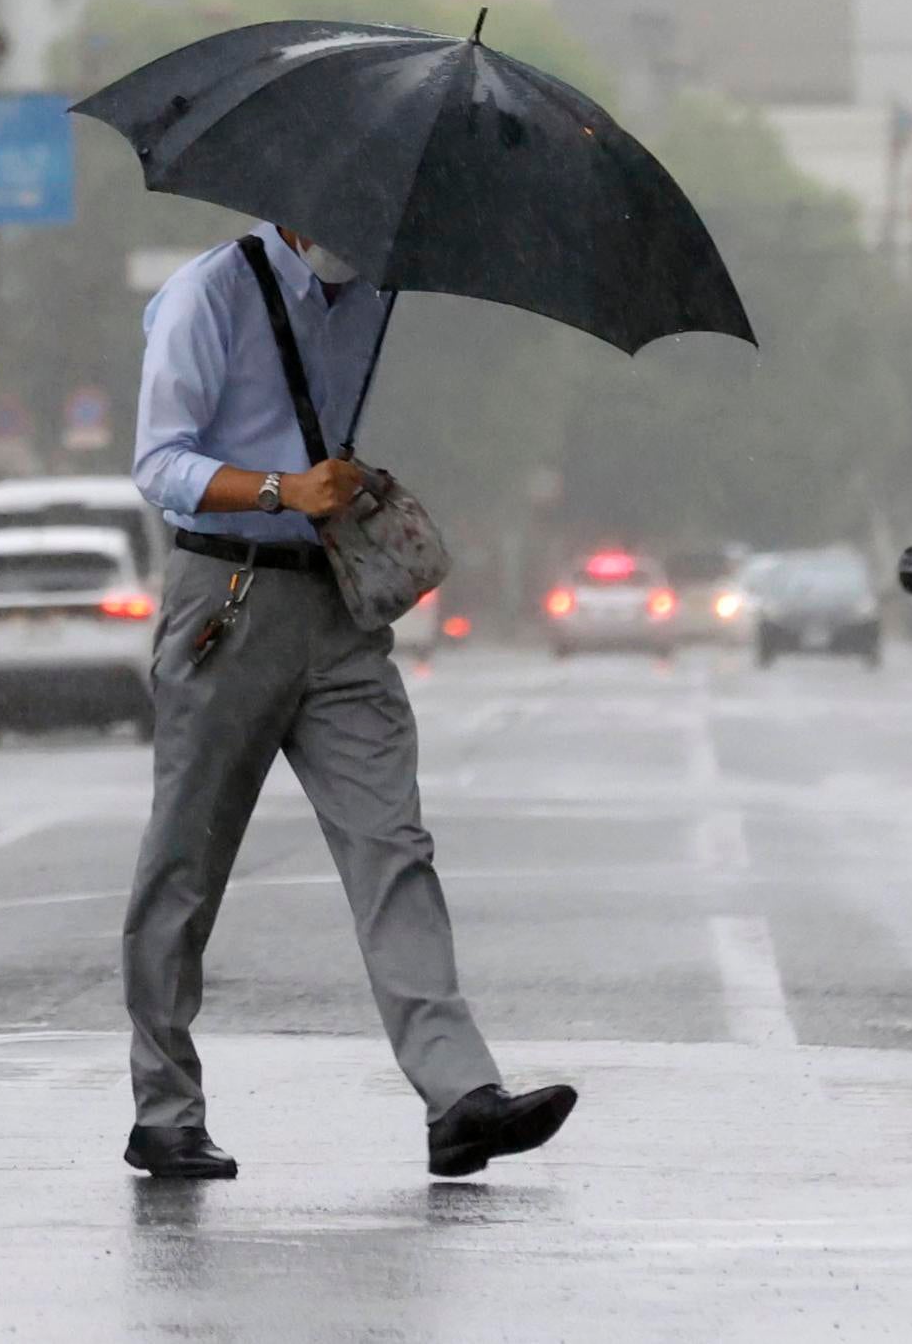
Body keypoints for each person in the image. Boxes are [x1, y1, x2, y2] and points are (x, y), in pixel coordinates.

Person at [120, 222, 573, 1183]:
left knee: (393, 844)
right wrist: (286, 486)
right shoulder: (210, 293)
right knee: (185, 863)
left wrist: (340, 481)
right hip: (228, 598)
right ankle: (164, 1110)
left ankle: (460, 1097)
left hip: (337, 605)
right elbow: (161, 464)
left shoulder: (368, 296)